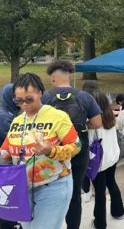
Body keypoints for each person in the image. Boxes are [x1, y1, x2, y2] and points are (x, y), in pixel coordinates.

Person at [0, 73, 81, 229]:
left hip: (53, 185)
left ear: (40, 93)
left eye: (29, 99)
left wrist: (51, 150)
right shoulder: (17, 121)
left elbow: (76, 146)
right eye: (18, 100)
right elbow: (6, 152)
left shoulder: (58, 116)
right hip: (23, 188)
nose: (24, 104)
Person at [46, 60, 102, 229]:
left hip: (52, 152)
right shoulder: (85, 96)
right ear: (69, 77)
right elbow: (97, 123)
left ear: (53, 78)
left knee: (48, 192)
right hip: (79, 150)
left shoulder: (45, 97)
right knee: (75, 194)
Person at [89, 91, 124, 228]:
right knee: (111, 183)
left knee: (99, 191)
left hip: (99, 161)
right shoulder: (111, 117)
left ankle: (100, 222)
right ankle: (118, 211)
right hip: (112, 157)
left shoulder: (93, 122)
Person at [0, 84, 22, 229]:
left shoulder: (10, 114)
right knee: (7, 204)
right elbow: (10, 142)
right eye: (16, 98)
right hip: (6, 167)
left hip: (7, 166)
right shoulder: (4, 116)